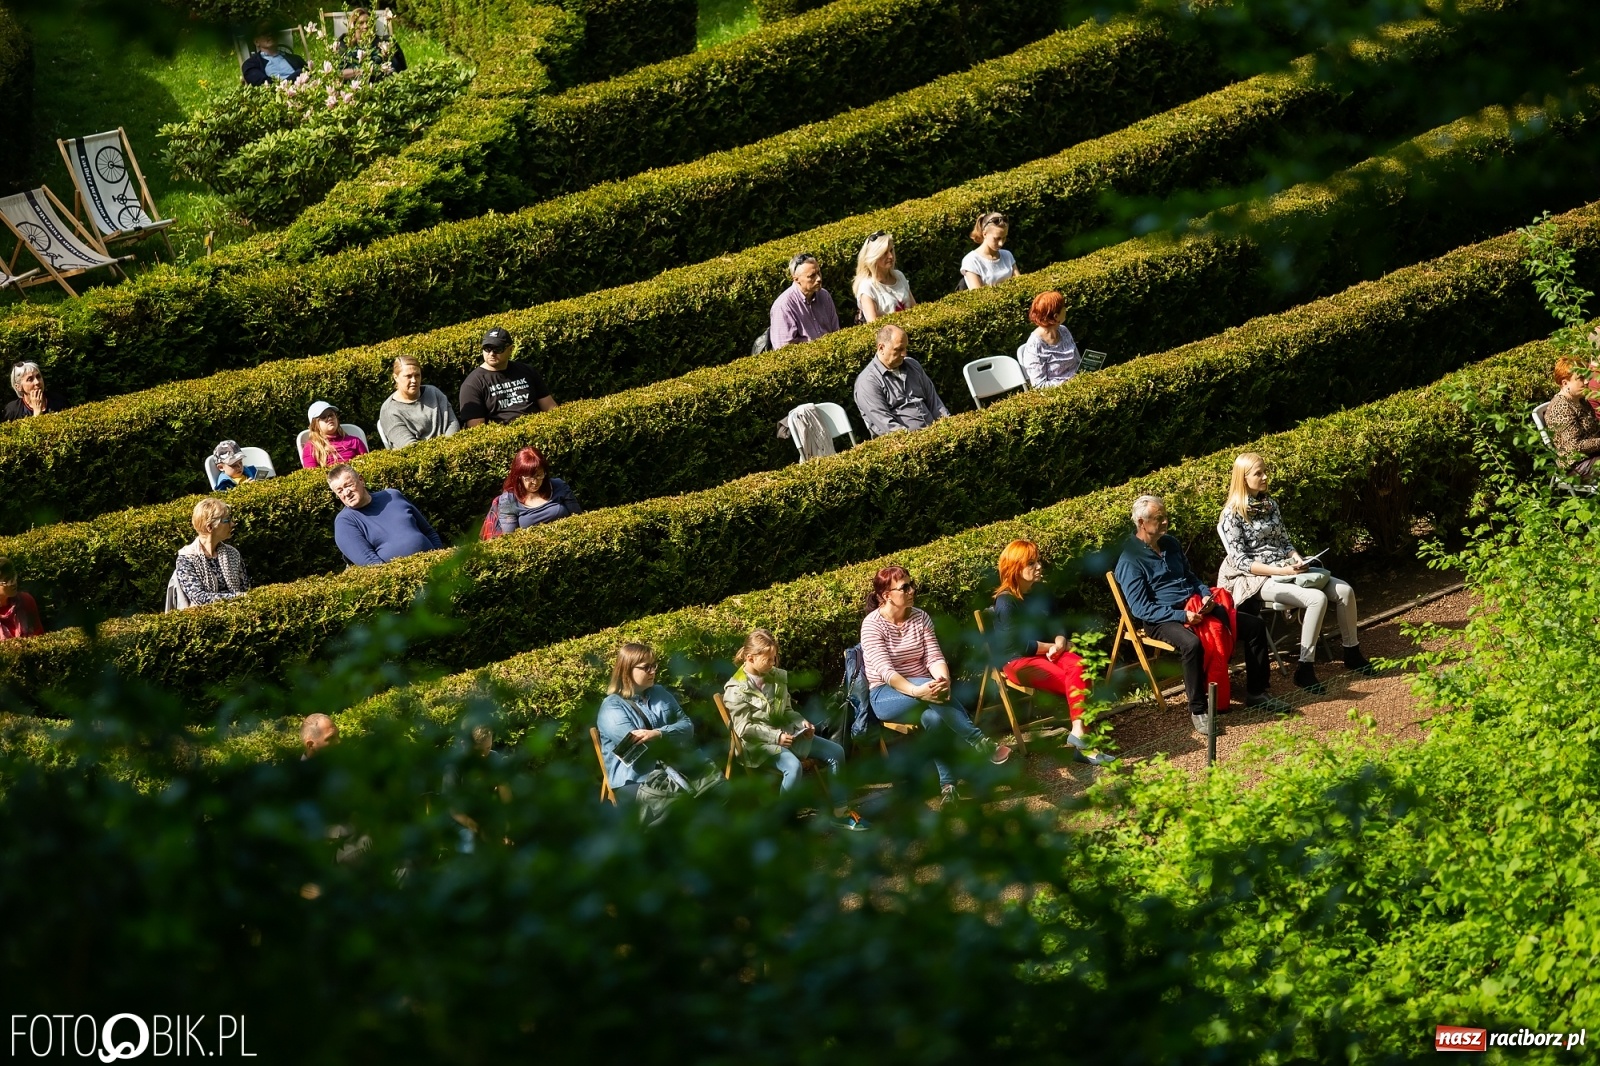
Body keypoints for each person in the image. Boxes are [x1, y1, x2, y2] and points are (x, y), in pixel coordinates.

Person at [1113, 495, 1283, 734]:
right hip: (1163, 618)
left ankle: (1257, 692)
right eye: (1159, 518)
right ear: (1142, 522)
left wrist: (1204, 595)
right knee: (1192, 644)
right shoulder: (1130, 561)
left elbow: (1191, 578)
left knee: (1255, 626)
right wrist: (1183, 616)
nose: (1165, 522)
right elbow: (1141, 609)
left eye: (1166, 516)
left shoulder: (1170, 543)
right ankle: (1198, 709)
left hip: (1196, 606)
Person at [1216, 453, 1372, 690]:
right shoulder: (1231, 514)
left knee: (1345, 590)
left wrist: (1297, 559)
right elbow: (1241, 562)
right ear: (1243, 478)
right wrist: (1279, 572)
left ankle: (1351, 652)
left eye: (1265, 470)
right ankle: (1305, 669)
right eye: (1259, 473)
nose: (1265, 476)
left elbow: (1285, 543)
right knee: (1316, 598)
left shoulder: (1270, 505)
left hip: (1286, 568)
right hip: (1256, 578)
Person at [861, 565, 1010, 805]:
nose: (912, 590)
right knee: (930, 690)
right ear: (887, 595)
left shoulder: (920, 616)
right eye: (905, 587)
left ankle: (949, 787)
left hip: (926, 690)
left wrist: (944, 680)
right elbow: (886, 672)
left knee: (935, 719)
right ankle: (979, 742)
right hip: (887, 695)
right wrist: (917, 690)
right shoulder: (872, 625)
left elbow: (934, 657)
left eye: (912, 584)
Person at [722, 629, 862, 828]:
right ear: (750, 658)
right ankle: (784, 820)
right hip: (758, 745)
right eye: (768, 659)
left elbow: (787, 710)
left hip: (788, 736)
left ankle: (840, 812)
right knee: (793, 766)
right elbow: (744, 728)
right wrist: (776, 737)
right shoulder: (736, 689)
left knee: (836, 751)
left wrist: (801, 723)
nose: (773, 663)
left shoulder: (777, 676)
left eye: (774, 658)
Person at [990, 540, 1113, 765]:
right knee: (1077, 682)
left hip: (1050, 651)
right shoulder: (1006, 602)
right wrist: (1052, 647)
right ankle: (1086, 748)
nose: (1038, 566)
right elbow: (1016, 645)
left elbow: (1057, 622)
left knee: (1081, 668)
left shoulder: (1041, 592)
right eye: (1031, 563)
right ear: (1014, 567)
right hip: (1019, 661)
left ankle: (1077, 731)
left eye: (1038, 561)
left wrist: (1060, 639)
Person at [596, 643, 706, 810]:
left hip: (675, 767)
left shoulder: (660, 692)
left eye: (654, 665)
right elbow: (635, 746)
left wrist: (659, 734)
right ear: (626, 669)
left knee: (716, 790)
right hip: (635, 779)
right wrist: (673, 735)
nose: (653, 671)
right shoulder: (611, 706)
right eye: (646, 667)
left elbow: (688, 727)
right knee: (680, 808)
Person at [327, 465, 443, 566]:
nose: (347, 493)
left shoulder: (392, 496)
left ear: (361, 480)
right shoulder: (345, 522)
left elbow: (429, 532)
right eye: (340, 491)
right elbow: (372, 565)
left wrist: (442, 558)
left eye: (349, 485)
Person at [852, 323, 950, 437]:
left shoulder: (913, 365)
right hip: (904, 445)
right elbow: (888, 427)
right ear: (881, 348)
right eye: (898, 349)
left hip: (935, 433)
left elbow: (936, 404)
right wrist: (920, 440)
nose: (904, 354)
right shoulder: (867, 382)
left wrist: (948, 426)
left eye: (905, 348)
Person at [458, 327, 557, 429]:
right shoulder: (472, 384)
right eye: (487, 348)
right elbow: (477, 430)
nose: (492, 353)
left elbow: (550, 407)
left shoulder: (526, 371)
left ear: (510, 349)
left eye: (498, 349)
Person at [481, 446, 581, 538]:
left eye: (539, 475)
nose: (535, 482)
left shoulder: (559, 486)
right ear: (519, 476)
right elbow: (510, 539)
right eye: (529, 477)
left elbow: (579, 519)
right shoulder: (509, 500)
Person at [170, 498, 251, 609]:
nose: (232, 524)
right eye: (227, 520)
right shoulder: (187, 558)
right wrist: (237, 596)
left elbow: (246, 589)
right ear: (210, 527)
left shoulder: (233, 553)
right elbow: (199, 598)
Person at [379, 355, 461, 449]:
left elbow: (452, 423)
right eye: (408, 376)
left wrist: (448, 447)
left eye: (417, 375)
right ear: (396, 377)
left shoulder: (434, 393)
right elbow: (409, 446)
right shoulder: (389, 411)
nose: (414, 380)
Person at [769, 253, 842, 350]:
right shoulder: (783, 306)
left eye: (819, 273)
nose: (819, 279)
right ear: (796, 279)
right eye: (812, 276)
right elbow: (784, 350)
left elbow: (836, 332)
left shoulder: (824, 296)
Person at [1546, 358, 1600, 481]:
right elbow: (1575, 446)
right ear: (1565, 383)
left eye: (1587, 376)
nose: (1587, 382)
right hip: (1577, 465)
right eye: (1580, 378)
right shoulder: (1561, 407)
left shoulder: (1581, 400)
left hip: (1594, 455)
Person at [1016, 290, 1081, 388]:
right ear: (1056, 316)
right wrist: (1068, 383)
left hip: (1080, 385)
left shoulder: (1063, 331)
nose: (1066, 309)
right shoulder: (1035, 345)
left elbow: (1078, 363)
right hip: (1059, 395)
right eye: (1063, 307)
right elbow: (1039, 386)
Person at [852, 231, 916, 324]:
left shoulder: (899, 276)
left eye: (891, 250)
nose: (890, 256)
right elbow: (873, 326)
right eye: (884, 253)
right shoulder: (867, 287)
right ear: (874, 256)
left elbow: (915, 309)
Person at [337, 7, 406, 82]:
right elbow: (338, 73)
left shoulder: (382, 43)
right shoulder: (344, 44)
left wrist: (385, 57)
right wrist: (363, 71)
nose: (366, 26)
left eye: (368, 22)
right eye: (361, 23)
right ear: (353, 26)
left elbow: (399, 68)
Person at [301, 401, 369, 469]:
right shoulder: (311, 448)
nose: (329, 418)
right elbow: (313, 475)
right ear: (314, 425)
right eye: (323, 417)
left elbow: (368, 465)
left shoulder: (354, 441)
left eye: (331, 415)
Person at [960, 211, 1019, 290]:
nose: (1001, 243)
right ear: (984, 234)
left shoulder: (1007, 255)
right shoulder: (971, 261)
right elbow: (978, 296)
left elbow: (1020, 284)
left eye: (1004, 238)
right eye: (997, 238)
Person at [241, 28, 307, 86]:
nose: (270, 34)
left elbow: (310, 74)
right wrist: (297, 75)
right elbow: (263, 85)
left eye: (273, 31)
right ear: (256, 42)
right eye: (264, 32)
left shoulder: (296, 59)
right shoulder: (250, 64)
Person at [0, 556, 43, 640]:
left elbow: (40, 636)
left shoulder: (26, 600)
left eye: (14, 577)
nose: (14, 583)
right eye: (7, 580)